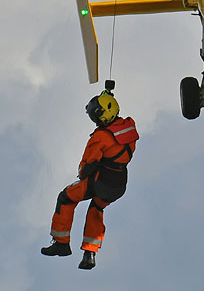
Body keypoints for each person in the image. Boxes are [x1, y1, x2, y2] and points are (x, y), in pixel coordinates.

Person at [41, 90, 139, 270]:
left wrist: (81, 173)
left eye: (97, 117)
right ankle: (90, 254)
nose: (96, 121)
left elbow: (87, 167)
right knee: (97, 208)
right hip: (118, 186)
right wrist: (106, 96)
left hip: (100, 182)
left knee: (66, 197)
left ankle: (61, 243)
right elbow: (112, 117)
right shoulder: (129, 126)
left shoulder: (100, 137)